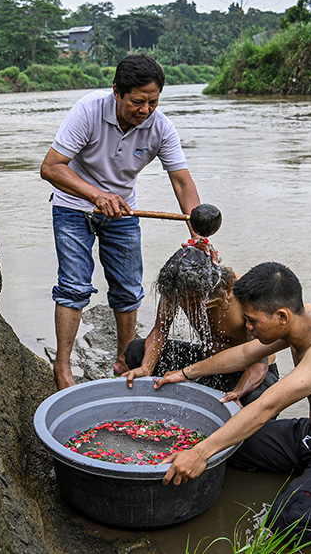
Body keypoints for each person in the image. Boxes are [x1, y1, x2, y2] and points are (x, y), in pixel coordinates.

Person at [153, 262, 311, 542]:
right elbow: (244, 354)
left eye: (253, 320)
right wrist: (182, 374)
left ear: (282, 316)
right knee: (230, 450)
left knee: (287, 520)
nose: (248, 326)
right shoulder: (304, 317)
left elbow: (267, 406)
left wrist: (199, 454)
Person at [40, 54, 204, 390]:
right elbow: (52, 167)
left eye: (153, 102)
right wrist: (96, 195)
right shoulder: (88, 111)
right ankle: (62, 366)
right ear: (117, 92)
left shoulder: (160, 127)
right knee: (73, 286)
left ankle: (123, 359)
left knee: (129, 289)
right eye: (137, 101)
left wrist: (198, 234)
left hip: (123, 211)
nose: (145, 110)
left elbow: (182, 183)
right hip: (74, 206)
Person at [122, 245, 278, 406]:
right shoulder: (175, 289)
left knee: (257, 402)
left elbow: (259, 362)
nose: (187, 302)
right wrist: (146, 368)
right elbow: (160, 330)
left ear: (212, 287)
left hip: (248, 370)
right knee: (136, 350)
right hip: (207, 365)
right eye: (183, 298)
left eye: (194, 298)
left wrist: (236, 393)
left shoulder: (245, 295)